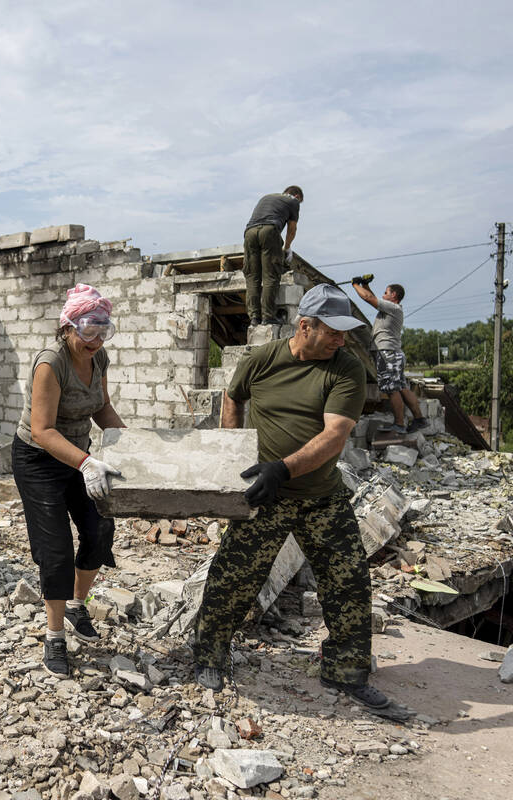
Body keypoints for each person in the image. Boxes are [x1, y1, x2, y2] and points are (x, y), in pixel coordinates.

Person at [190, 284, 391, 710]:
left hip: (320, 496)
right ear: (305, 326)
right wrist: (234, 451)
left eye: (345, 332)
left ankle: (347, 672)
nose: (341, 339)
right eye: (333, 331)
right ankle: (208, 655)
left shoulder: (346, 368)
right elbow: (233, 395)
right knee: (233, 576)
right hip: (266, 496)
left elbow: (335, 435)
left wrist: (282, 468)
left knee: (348, 583)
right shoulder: (262, 359)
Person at [12, 284, 125, 676]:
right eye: (88, 330)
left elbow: (103, 408)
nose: (95, 340)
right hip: (39, 459)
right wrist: (87, 462)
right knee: (55, 548)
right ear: (69, 327)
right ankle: (55, 634)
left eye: (103, 330)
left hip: (80, 456)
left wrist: (132, 448)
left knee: (99, 530)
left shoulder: (100, 358)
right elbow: (43, 431)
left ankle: (77, 606)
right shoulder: (51, 363)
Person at [351, 280, 424, 434]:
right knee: (401, 387)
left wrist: (355, 285)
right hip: (393, 353)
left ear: (394, 295)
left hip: (387, 353)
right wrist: (365, 285)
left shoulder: (392, 307)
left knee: (391, 390)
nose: (383, 296)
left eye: (386, 292)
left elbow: (369, 298)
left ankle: (399, 424)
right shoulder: (391, 309)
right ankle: (419, 419)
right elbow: (371, 296)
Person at [243, 186, 303, 325]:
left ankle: (254, 317)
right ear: (297, 196)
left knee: (252, 276)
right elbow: (292, 230)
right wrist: (287, 248)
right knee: (270, 275)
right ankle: (267, 316)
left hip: (249, 232)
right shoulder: (293, 201)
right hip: (270, 230)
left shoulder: (267, 197)